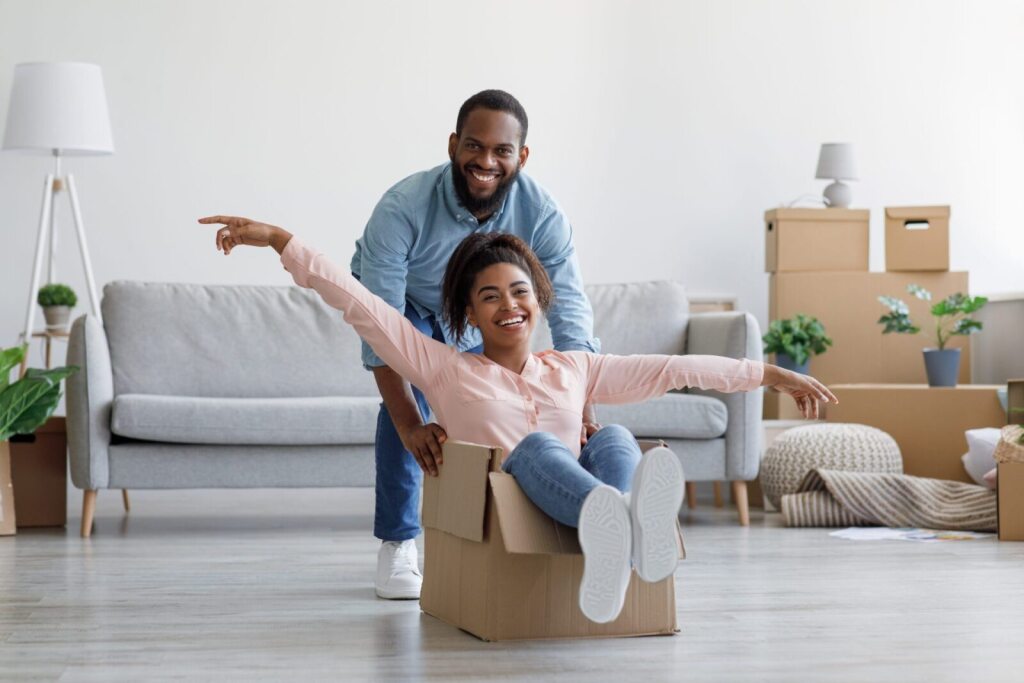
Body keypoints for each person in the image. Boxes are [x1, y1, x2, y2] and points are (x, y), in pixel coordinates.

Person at [198, 216, 838, 623]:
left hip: (572, 503)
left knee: (613, 433)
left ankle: (615, 527)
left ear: (539, 301)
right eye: (490, 296)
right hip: (510, 500)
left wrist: (767, 373)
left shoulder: (574, 367)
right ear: (470, 314)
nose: (509, 305)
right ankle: (620, 524)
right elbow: (363, 307)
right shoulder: (445, 368)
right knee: (534, 449)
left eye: (521, 292)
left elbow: (671, 369)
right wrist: (284, 242)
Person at [348, 89, 599, 599]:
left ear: (521, 157)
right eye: (474, 146)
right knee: (414, 395)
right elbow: (381, 325)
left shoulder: (543, 214)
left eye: (501, 151)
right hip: (411, 307)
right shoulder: (402, 207)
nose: (486, 161)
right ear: (452, 145)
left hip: (478, 310)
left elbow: (570, 312)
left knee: (528, 393)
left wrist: (584, 407)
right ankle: (399, 543)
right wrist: (409, 425)